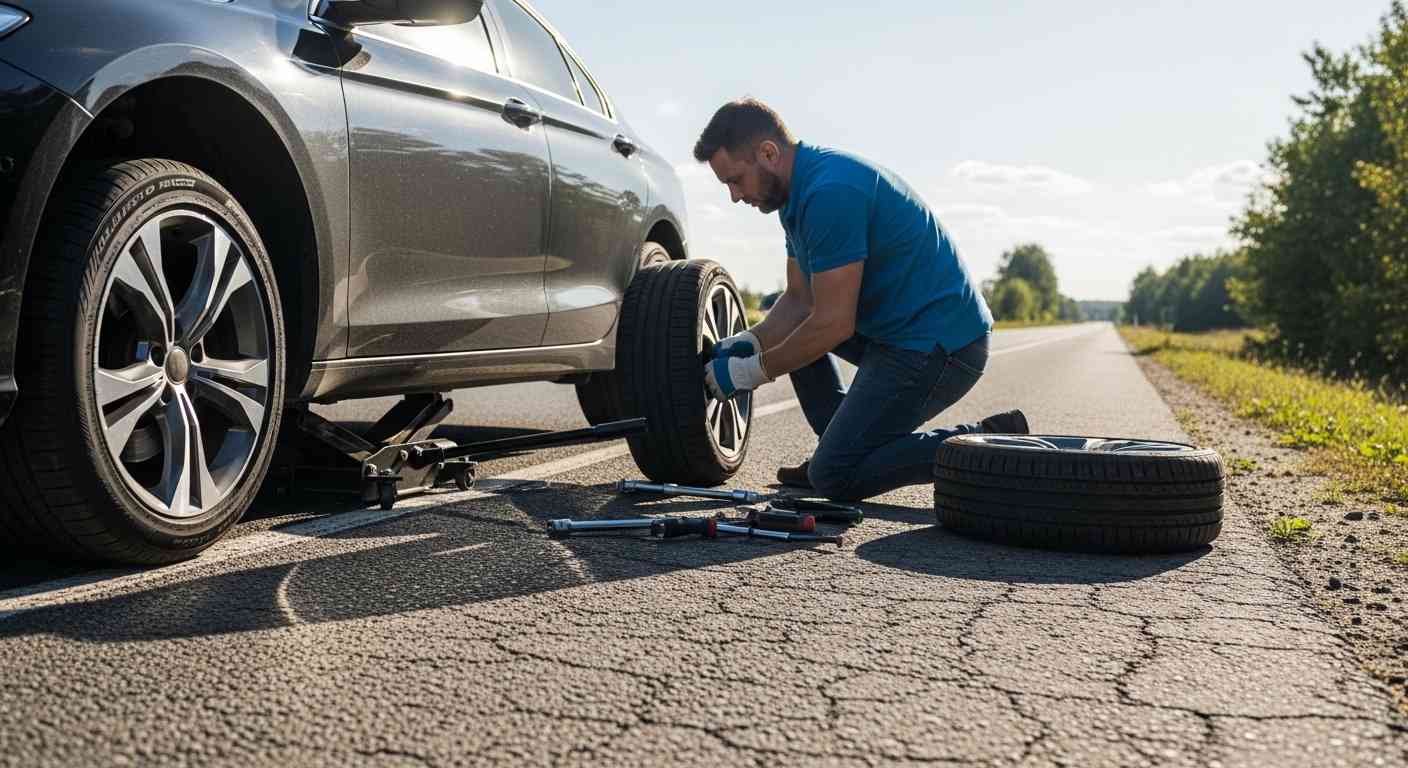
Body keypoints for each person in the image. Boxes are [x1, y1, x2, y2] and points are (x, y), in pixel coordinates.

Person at [695, 98, 1028, 502]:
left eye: (735, 180)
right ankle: (841, 446)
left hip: (943, 347)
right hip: (896, 335)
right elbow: (800, 301)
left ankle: (989, 442)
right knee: (790, 331)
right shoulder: (793, 196)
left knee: (835, 476)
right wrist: (749, 342)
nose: (734, 196)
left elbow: (833, 324)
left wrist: (752, 371)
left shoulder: (829, 193)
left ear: (768, 153)